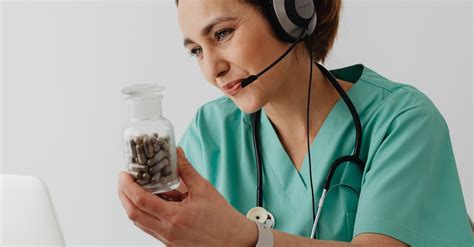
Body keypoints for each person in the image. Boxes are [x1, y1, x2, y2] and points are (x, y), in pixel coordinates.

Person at [118, 0, 473, 246]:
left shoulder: (401, 121)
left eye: (223, 34)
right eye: (196, 50)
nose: (212, 70)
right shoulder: (212, 132)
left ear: (292, 13)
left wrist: (246, 239)